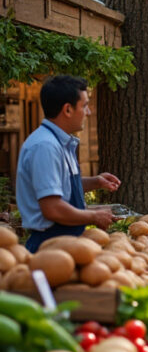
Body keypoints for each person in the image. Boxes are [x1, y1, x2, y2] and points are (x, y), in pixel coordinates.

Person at [17, 75, 122, 252]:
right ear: (67, 110)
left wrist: (96, 182)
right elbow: (53, 208)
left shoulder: (60, 143)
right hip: (49, 247)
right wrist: (94, 216)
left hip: (67, 243)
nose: (88, 112)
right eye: (85, 106)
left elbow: (59, 187)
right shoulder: (45, 147)